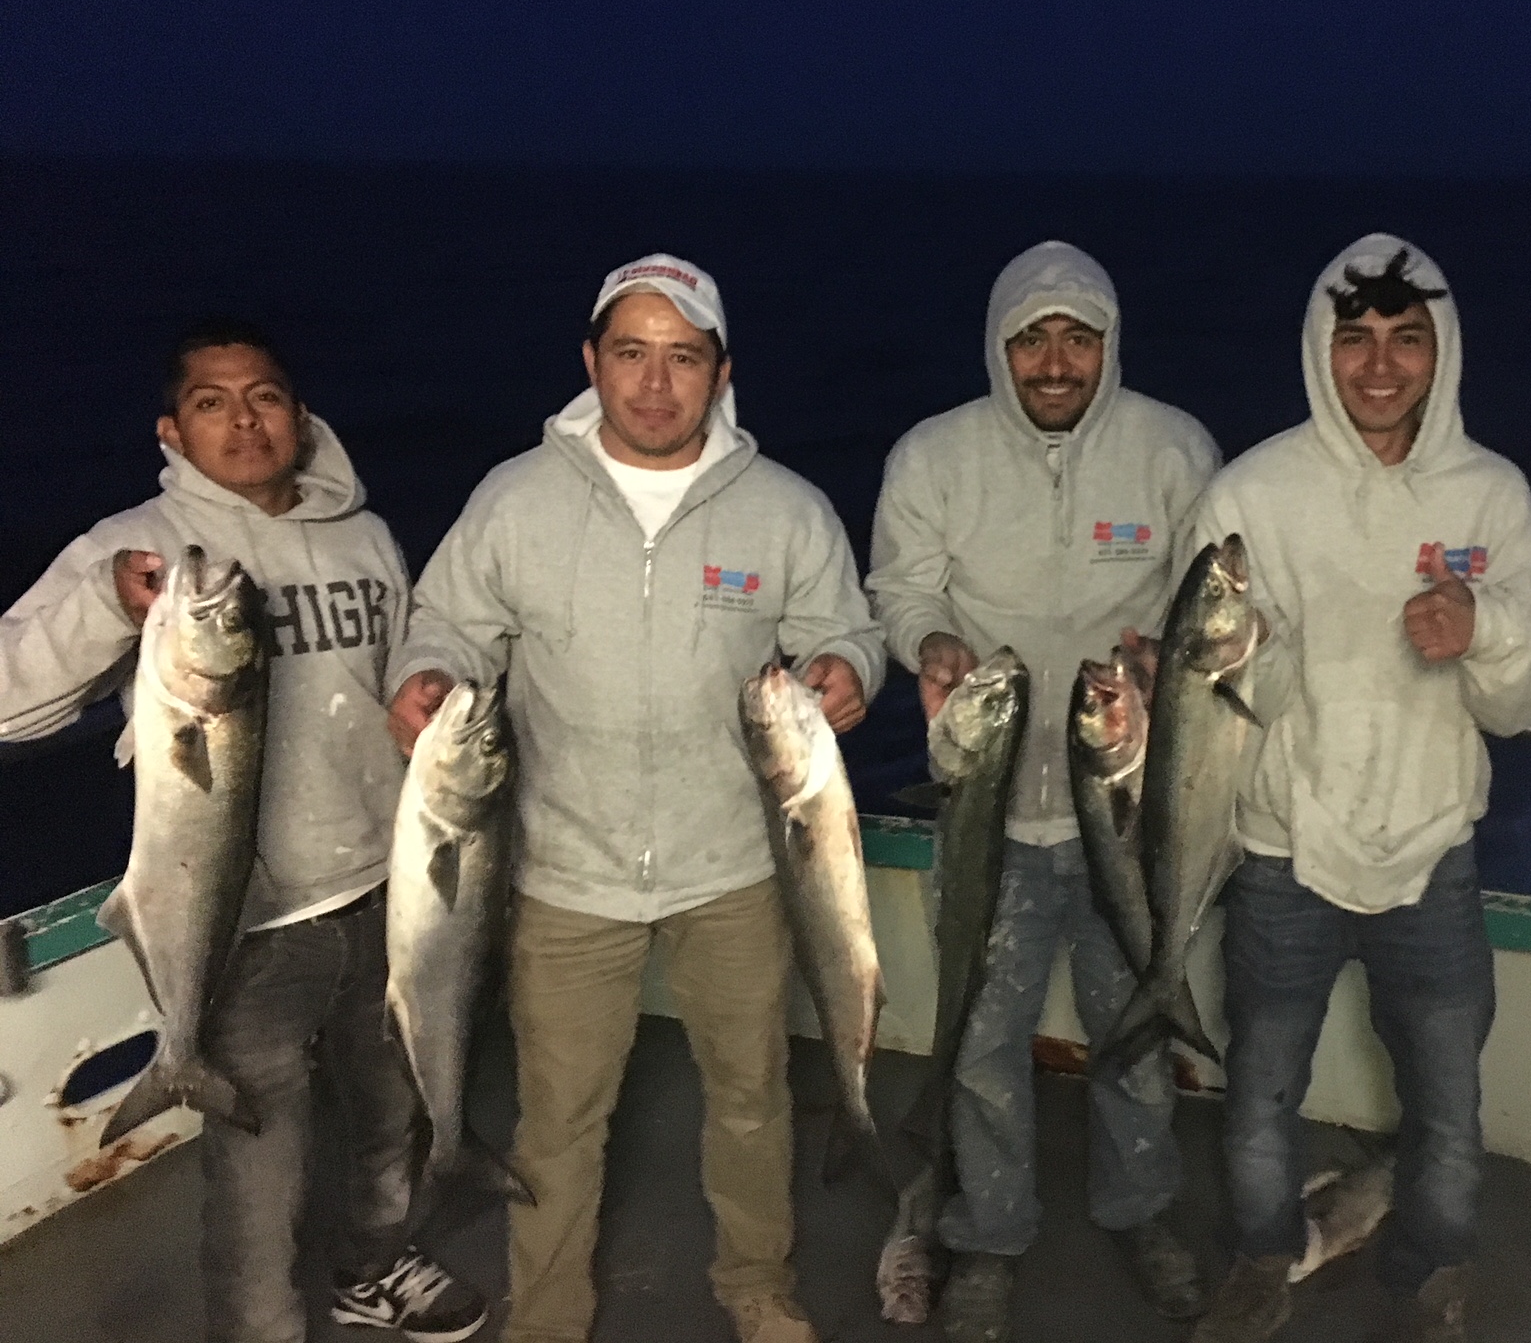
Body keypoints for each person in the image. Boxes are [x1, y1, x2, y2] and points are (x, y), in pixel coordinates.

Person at [386, 253, 885, 1343]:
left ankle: (757, 1285)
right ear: (590, 362)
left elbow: (845, 628)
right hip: (566, 866)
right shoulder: (515, 499)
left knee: (750, 1097)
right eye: (631, 353)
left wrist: (849, 668)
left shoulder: (785, 509)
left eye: (683, 358)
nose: (656, 384)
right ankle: (547, 1317)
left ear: (721, 373)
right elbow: (449, 623)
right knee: (559, 1118)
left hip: (736, 865)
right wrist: (424, 675)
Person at [0, 319, 485, 1343]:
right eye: (211, 403)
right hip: (239, 923)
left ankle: (374, 1266)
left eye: (263, 397)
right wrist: (108, 606)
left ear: (299, 417)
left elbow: (402, 660)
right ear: (172, 431)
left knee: (389, 1116)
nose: (243, 420)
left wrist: (424, 682)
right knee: (261, 1165)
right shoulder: (133, 546)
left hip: (386, 889)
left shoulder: (366, 535)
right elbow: (10, 707)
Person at [1183, 235, 1531, 1343]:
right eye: (1355, 338)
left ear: (1442, 349)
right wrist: (1248, 656)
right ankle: (1262, 1258)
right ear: (1322, 348)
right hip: (1280, 850)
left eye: (1407, 338)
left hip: (1433, 849)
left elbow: (1521, 700)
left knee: (1447, 1104)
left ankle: (1433, 1270)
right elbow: (1216, 693)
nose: (1381, 365)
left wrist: (1483, 630)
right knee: (1259, 1094)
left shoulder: (1491, 493)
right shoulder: (1251, 491)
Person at [866, 241, 1222, 1341]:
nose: (1056, 361)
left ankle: (1141, 1208)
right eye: (1032, 338)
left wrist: (1172, 662)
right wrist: (928, 642)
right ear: (1000, 346)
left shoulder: (1174, 449)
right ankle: (990, 1233)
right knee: (982, 1046)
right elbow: (901, 586)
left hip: (1128, 812)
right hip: (989, 805)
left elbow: (1205, 598)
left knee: (1134, 1031)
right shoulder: (934, 456)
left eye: (1078, 338)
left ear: (1110, 345)